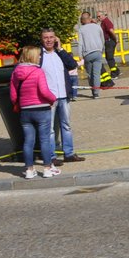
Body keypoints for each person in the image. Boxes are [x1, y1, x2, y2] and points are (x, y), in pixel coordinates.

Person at [9, 45, 60, 179]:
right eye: (38, 55)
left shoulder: (16, 72)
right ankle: (47, 168)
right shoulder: (38, 72)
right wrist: (53, 99)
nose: (40, 57)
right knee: (44, 140)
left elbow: (13, 95)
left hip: (25, 110)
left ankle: (29, 170)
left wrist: (19, 103)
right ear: (32, 56)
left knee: (28, 141)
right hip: (41, 108)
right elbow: (44, 91)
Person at [39, 28, 83, 164]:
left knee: (66, 125)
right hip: (48, 98)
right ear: (42, 39)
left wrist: (61, 49)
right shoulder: (39, 56)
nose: (49, 40)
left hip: (63, 95)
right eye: (46, 37)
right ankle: (51, 156)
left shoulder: (60, 53)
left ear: (55, 38)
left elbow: (72, 65)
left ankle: (68, 154)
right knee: (50, 129)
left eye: (51, 37)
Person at [76, 12, 106, 98]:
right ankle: (96, 93)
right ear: (90, 18)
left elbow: (80, 43)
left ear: (82, 20)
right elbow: (102, 39)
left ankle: (93, 90)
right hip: (98, 52)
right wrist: (101, 49)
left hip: (87, 53)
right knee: (96, 74)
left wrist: (80, 54)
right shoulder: (97, 27)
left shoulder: (81, 29)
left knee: (90, 74)